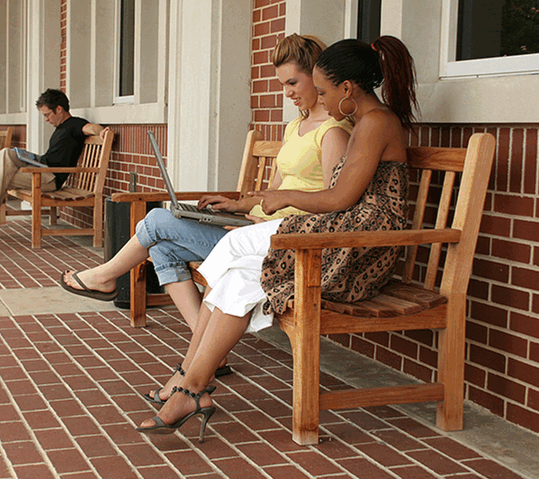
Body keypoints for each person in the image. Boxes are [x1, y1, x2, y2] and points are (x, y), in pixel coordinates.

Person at [136, 35, 419, 442]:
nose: (318, 99)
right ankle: (190, 390)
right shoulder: (366, 120)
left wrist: (281, 197)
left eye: (322, 91)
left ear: (347, 89)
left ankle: (189, 381)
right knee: (238, 277)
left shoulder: (376, 122)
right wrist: (263, 202)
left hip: (360, 248)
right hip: (346, 234)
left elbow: (342, 197)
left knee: (234, 253)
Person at [60, 34, 351, 383]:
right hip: (253, 226)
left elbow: (333, 204)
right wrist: (238, 205)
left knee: (156, 220)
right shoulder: (295, 126)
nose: (287, 92)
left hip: (283, 244)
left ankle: (105, 277)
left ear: (316, 78)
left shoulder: (333, 131)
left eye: (293, 82)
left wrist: (260, 220)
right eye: (282, 84)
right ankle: (211, 352)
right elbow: (273, 190)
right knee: (164, 246)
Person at [0, 89, 110, 241]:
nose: (46, 119)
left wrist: (102, 131)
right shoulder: (60, 128)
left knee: (0, 178)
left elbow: (91, 127)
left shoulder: (75, 124)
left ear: (59, 109)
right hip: (42, 167)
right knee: (5, 154)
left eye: (47, 115)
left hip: (50, 178)